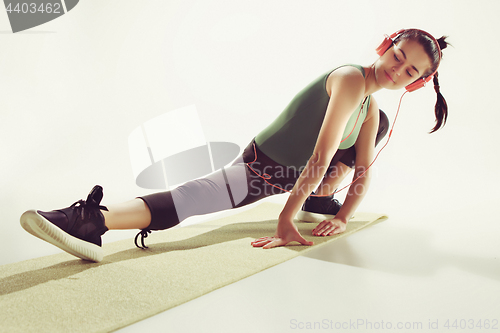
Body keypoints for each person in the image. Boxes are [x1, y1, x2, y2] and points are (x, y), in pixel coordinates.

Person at [20, 29, 449, 262]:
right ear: (386, 46)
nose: (399, 70)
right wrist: (284, 221)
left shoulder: (371, 106)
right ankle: (92, 220)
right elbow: (320, 157)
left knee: (376, 130)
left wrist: (345, 216)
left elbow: (365, 168)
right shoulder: (352, 79)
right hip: (264, 167)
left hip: (291, 177)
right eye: (398, 56)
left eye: (411, 71)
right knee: (194, 198)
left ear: (417, 82)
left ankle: (321, 203)